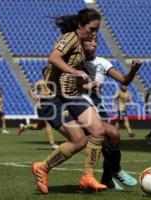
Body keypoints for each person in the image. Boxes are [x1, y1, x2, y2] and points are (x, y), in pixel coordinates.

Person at [32, 8, 108, 194]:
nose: (94, 33)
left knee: (98, 130)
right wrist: (75, 72)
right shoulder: (70, 38)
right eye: (91, 28)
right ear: (80, 25)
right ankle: (42, 167)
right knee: (79, 141)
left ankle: (88, 177)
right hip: (53, 98)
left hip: (72, 95)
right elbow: (53, 57)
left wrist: (84, 83)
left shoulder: (83, 43)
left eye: (97, 29)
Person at [81, 36, 141, 189]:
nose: (94, 43)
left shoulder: (102, 62)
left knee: (113, 139)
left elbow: (124, 80)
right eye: (89, 40)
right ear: (80, 42)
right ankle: (115, 170)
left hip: (99, 108)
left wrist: (133, 70)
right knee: (104, 140)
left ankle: (107, 178)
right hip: (80, 107)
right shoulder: (74, 62)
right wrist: (86, 86)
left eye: (96, 41)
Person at [17, 68, 59, 150]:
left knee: (39, 126)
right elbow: (30, 90)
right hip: (41, 106)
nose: (48, 73)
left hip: (51, 105)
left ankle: (24, 127)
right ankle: (52, 144)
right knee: (48, 123)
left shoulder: (53, 82)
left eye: (49, 72)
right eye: (46, 72)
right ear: (43, 74)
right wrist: (34, 97)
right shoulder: (40, 82)